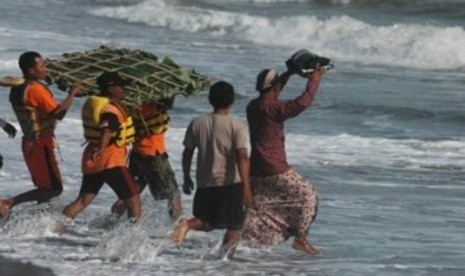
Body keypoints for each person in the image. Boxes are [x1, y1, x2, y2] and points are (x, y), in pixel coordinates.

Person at [241, 65, 325, 255]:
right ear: (276, 87)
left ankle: (241, 243)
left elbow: (272, 93)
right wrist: (315, 80)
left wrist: (288, 74)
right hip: (274, 167)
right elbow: (303, 102)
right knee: (309, 197)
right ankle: (300, 239)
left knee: (259, 206)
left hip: (257, 168)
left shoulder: (253, 106)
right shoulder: (274, 108)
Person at [171, 81, 253, 258]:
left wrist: (186, 177)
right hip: (230, 182)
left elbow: (187, 152)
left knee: (207, 222)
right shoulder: (236, 125)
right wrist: (247, 188)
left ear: (210, 99)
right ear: (231, 101)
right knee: (235, 224)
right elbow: (242, 157)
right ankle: (225, 260)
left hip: (205, 181)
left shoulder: (197, 122)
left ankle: (188, 224)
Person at [0, 51, 82, 219]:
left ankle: (39, 223)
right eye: (42, 66)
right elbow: (58, 114)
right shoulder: (35, 89)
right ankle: (9, 202)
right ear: (31, 70)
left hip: (30, 143)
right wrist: (72, 94)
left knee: (45, 187)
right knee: (53, 189)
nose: (46, 68)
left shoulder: (19, 87)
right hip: (40, 143)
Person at [61, 72, 141, 225]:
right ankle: (132, 238)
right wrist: (102, 148)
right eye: (120, 87)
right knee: (134, 200)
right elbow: (107, 129)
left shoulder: (95, 102)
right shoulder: (110, 109)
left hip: (92, 158)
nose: (123, 90)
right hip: (110, 159)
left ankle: (55, 228)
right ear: (110, 88)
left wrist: (98, 150)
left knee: (83, 200)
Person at [110, 98, 182, 221]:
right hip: (154, 154)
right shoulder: (152, 107)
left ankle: (111, 220)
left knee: (131, 192)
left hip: (137, 153)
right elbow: (168, 103)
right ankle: (176, 231)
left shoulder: (132, 105)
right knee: (173, 194)